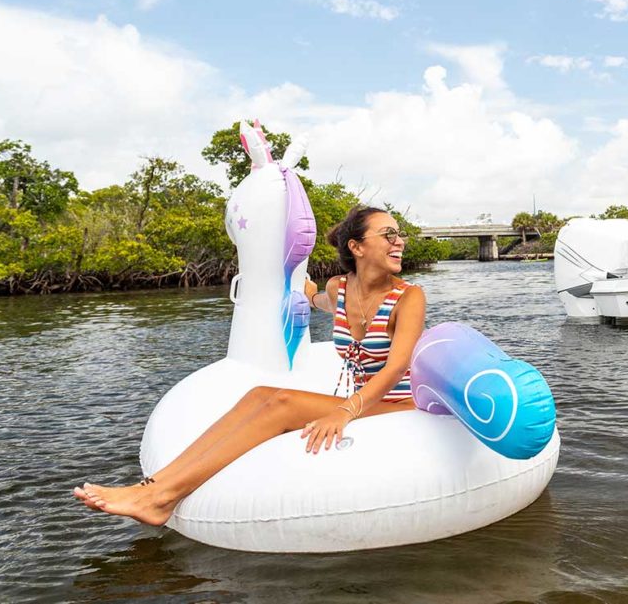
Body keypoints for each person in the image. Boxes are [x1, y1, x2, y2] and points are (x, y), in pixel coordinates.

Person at [72, 206, 426, 526]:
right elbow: (321, 301)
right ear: (357, 247)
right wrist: (305, 292)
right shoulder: (339, 288)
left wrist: (344, 413)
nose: (400, 242)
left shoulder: (409, 297)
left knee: (281, 401)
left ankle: (160, 498)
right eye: (389, 234)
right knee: (258, 394)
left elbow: (396, 367)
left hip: (400, 403)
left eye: (400, 235)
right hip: (365, 400)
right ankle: (153, 487)